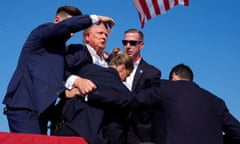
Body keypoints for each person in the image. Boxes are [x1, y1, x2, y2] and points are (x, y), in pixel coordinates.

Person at [2, 5, 115, 134]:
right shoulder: (41, 33)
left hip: (43, 111)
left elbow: (51, 77)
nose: (71, 33)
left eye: (74, 31)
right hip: (25, 107)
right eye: (71, 26)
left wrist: (66, 92)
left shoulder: (60, 51)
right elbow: (66, 26)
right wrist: (95, 18)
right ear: (56, 21)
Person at [135, 63, 240, 144]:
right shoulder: (216, 102)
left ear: (174, 75)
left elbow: (136, 101)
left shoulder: (164, 87)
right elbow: (237, 132)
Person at [51, 48, 134, 144]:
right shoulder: (123, 92)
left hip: (60, 128)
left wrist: (69, 92)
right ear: (123, 68)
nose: (125, 80)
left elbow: (60, 76)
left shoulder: (87, 69)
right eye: (127, 76)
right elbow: (116, 128)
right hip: (87, 137)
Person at [122, 28, 161, 143]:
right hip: (115, 129)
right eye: (125, 42)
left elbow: (152, 97)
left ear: (141, 45)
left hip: (138, 132)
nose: (128, 46)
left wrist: (128, 98)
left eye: (132, 43)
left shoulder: (152, 72)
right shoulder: (113, 67)